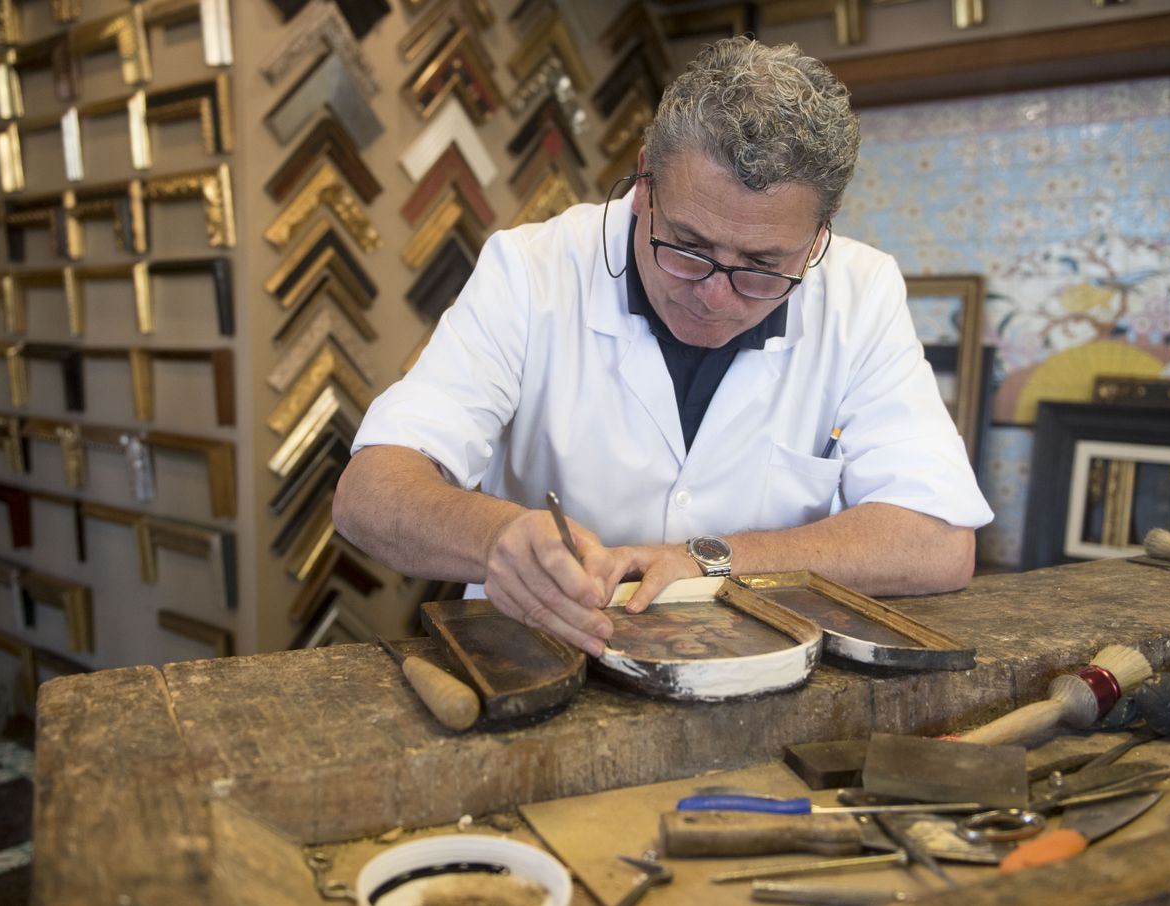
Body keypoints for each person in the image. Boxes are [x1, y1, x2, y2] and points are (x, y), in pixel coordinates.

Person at [332, 36, 992, 658]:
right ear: (645, 183)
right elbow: (370, 494)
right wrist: (493, 537)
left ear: (819, 234)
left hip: (758, 670)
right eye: (687, 247)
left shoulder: (860, 290)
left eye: (762, 265)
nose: (715, 295)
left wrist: (712, 559)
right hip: (539, 658)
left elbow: (937, 543)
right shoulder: (532, 271)